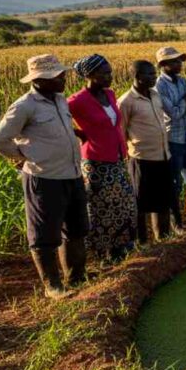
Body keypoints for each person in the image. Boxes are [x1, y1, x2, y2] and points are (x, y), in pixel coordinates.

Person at [0, 54, 87, 299]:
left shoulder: (60, 100)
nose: (63, 79)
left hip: (72, 174)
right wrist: (23, 158)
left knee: (75, 229)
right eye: (58, 76)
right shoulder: (25, 106)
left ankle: (76, 277)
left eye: (62, 75)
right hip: (44, 178)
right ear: (40, 80)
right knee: (45, 235)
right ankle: (53, 286)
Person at [67, 54, 136, 264]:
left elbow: (114, 123)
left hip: (117, 157)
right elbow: (59, 119)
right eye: (105, 73)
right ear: (90, 75)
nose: (110, 76)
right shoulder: (77, 100)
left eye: (110, 72)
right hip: (96, 162)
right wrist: (78, 134)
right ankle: (103, 253)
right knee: (101, 208)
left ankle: (121, 248)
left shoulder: (110, 94)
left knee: (123, 202)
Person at [119, 60, 174, 244]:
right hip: (141, 159)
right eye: (149, 74)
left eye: (154, 73)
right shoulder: (126, 101)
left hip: (163, 156)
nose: (154, 77)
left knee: (162, 202)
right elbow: (121, 132)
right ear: (137, 76)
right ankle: (142, 243)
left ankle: (164, 241)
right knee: (141, 204)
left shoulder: (155, 95)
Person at [155, 46, 186, 228]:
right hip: (173, 140)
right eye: (175, 61)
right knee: (175, 185)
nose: (179, 64)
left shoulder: (183, 81)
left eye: (179, 60)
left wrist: (184, 105)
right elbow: (174, 114)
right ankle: (177, 226)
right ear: (163, 64)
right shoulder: (159, 86)